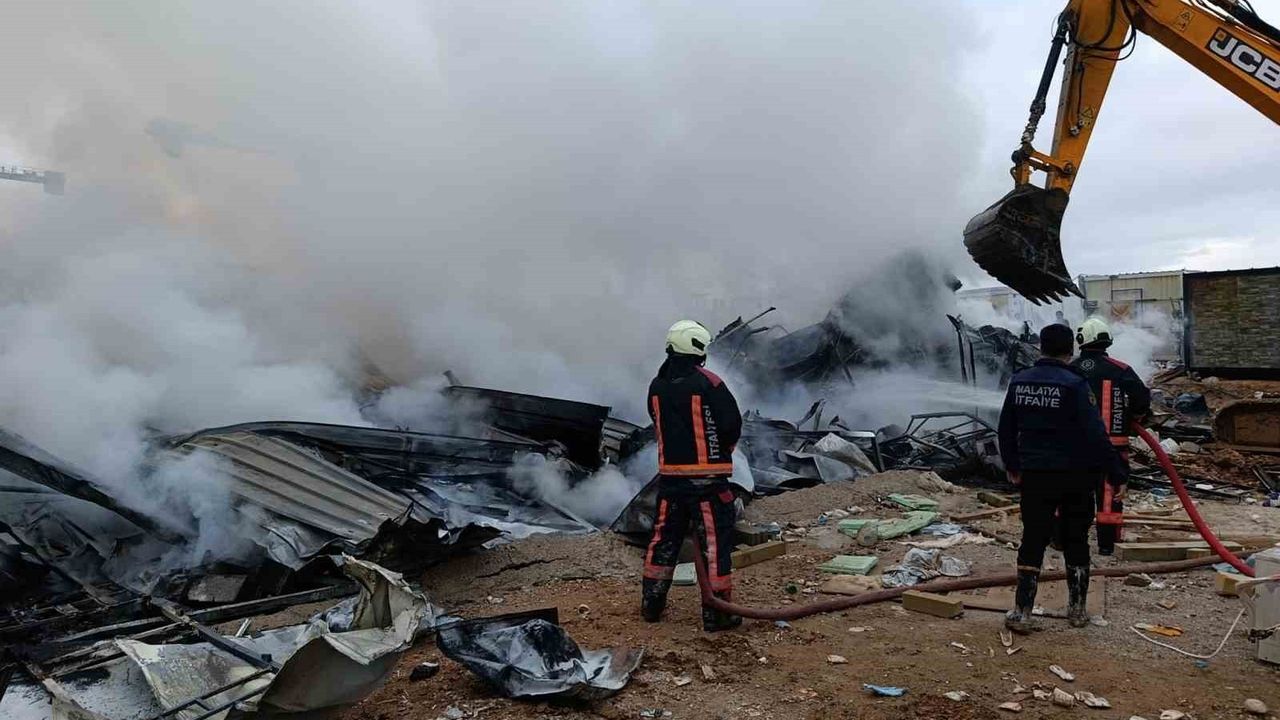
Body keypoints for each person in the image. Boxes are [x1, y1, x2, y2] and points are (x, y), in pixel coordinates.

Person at [997, 324, 1123, 633]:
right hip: (1076, 477)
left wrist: (1013, 465)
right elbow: (1096, 434)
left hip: (1035, 476)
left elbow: (1005, 428)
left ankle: (1022, 612)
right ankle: (1077, 611)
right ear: (1071, 350)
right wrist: (1117, 472)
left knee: (1033, 538)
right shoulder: (1075, 384)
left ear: (1041, 347)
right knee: (1076, 539)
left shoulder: (1020, 381)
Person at [642, 320, 744, 631]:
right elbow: (732, 425)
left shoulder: (656, 386)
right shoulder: (709, 384)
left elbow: (654, 421)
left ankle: (652, 605)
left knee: (662, 541)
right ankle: (718, 613)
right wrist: (719, 454)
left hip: (670, 481)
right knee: (713, 545)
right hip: (707, 485)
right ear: (698, 348)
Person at [1071, 317, 1152, 555]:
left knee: (1071, 490)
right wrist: (1134, 417)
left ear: (1081, 340)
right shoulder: (1120, 369)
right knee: (1109, 494)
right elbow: (1142, 398)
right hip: (1113, 445)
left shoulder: (1070, 369)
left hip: (1074, 446)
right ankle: (1106, 546)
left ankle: (1063, 538)